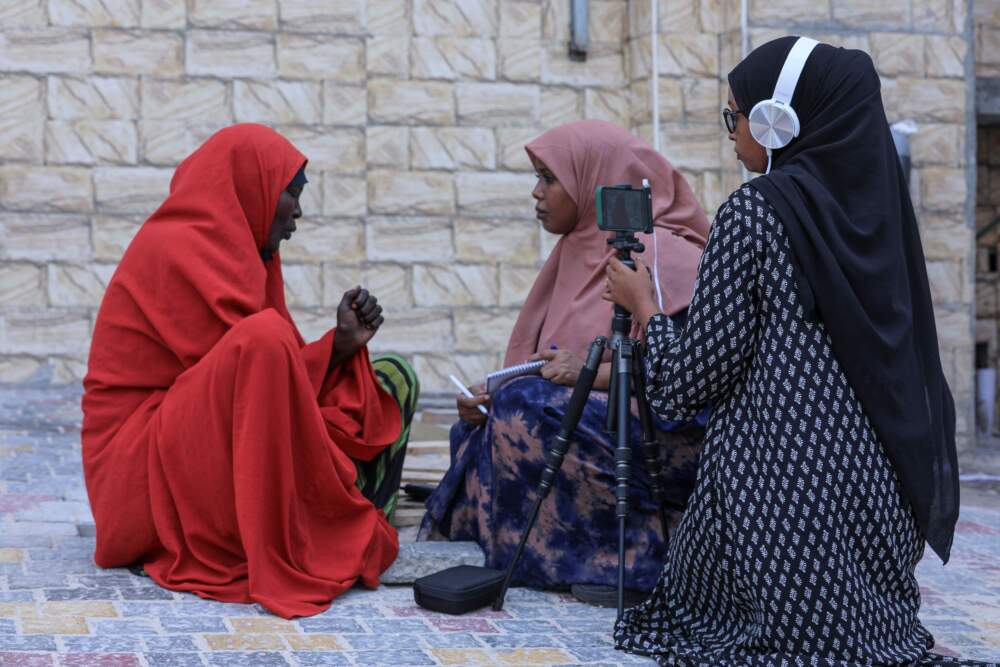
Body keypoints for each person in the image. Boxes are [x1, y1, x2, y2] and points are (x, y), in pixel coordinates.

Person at [605, 37, 974, 664]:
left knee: (669, 622)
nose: (730, 131)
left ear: (780, 121)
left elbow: (693, 381)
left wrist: (645, 308)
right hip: (879, 524)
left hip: (780, 525)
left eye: (735, 115)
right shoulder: (876, 217)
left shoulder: (754, 213)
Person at [81, 124, 418, 619]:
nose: (298, 213)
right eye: (293, 194)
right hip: (137, 477)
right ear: (251, 186)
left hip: (195, 445)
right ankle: (337, 517)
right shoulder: (175, 249)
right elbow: (251, 381)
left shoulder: (249, 258)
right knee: (264, 337)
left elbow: (266, 388)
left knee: (392, 376)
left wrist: (340, 348)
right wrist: (330, 349)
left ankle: (343, 511)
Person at [420, 120, 710, 598]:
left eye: (549, 178)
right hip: (613, 407)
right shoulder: (577, 251)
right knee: (490, 417)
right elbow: (553, 362)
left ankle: (635, 556)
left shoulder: (669, 256)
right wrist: (495, 390)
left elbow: (686, 380)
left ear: (594, 180)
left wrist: (585, 375)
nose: (537, 193)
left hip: (670, 432)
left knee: (523, 414)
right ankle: (533, 547)